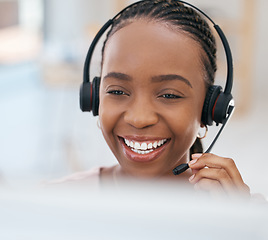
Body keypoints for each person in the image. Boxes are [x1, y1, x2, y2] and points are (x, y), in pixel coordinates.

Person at [55, 0, 250, 198]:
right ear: (95, 98)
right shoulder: (57, 200)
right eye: (117, 91)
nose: (139, 119)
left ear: (209, 108)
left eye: (169, 95)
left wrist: (238, 219)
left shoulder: (246, 214)